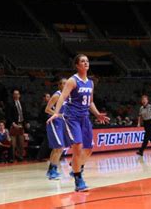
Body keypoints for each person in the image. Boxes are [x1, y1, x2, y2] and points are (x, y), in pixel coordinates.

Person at [47, 54, 110, 192]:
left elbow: (90, 101)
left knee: (88, 149)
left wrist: (97, 114)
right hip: (72, 118)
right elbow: (62, 96)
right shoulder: (72, 80)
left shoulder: (90, 83)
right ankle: (78, 179)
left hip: (85, 118)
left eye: (87, 61)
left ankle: (75, 167)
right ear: (77, 65)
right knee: (78, 147)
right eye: (82, 61)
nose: (86, 63)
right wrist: (57, 112)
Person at [45, 79, 70, 180]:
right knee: (59, 147)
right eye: (64, 83)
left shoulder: (67, 96)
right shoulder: (57, 95)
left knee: (57, 148)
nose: (66, 85)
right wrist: (58, 115)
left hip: (62, 123)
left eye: (67, 83)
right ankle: (52, 171)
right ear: (59, 85)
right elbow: (47, 109)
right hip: (54, 122)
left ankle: (52, 170)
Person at [6, 89, 26, 162]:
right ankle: (12, 158)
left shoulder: (22, 103)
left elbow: (25, 114)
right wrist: (13, 123)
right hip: (13, 125)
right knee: (13, 143)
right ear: (13, 95)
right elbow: (8, 115)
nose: (16, 95)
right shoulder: (10, 103)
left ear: (19, 95)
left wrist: (26, 123)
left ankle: (20, 156)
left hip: (20, 125)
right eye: (15, 94)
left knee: (21, 143)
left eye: (17, 94)